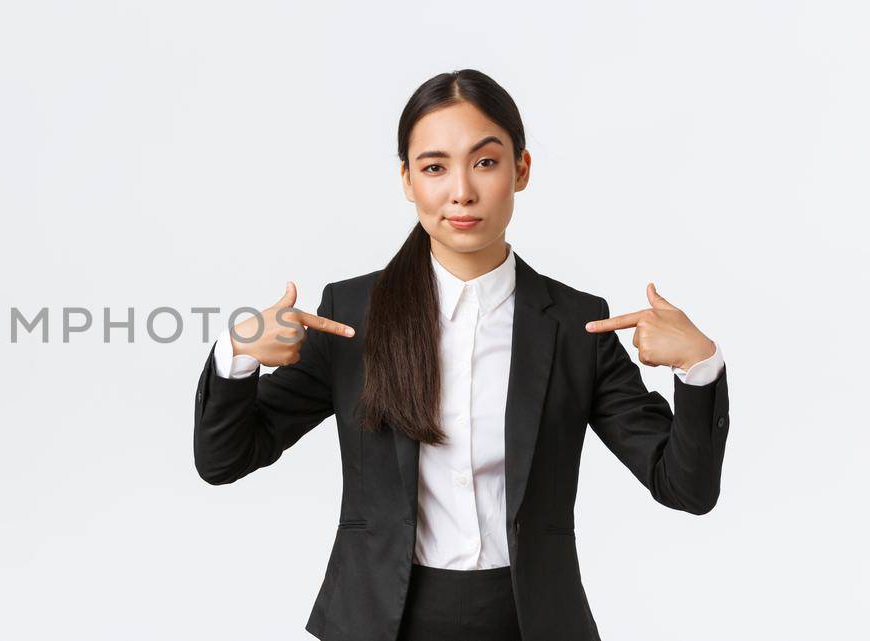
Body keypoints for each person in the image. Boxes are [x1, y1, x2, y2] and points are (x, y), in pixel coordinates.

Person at [191, 69, 729, 641]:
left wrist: (699, 368)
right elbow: (225, 459)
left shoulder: (576, 325)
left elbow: (685, 487)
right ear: (407, 179)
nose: (461, 192)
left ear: (520, 170)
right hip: (381, 620)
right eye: (434, 167)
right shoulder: (352, 316)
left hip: (530, 621)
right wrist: (238, 353)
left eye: (486, 162)